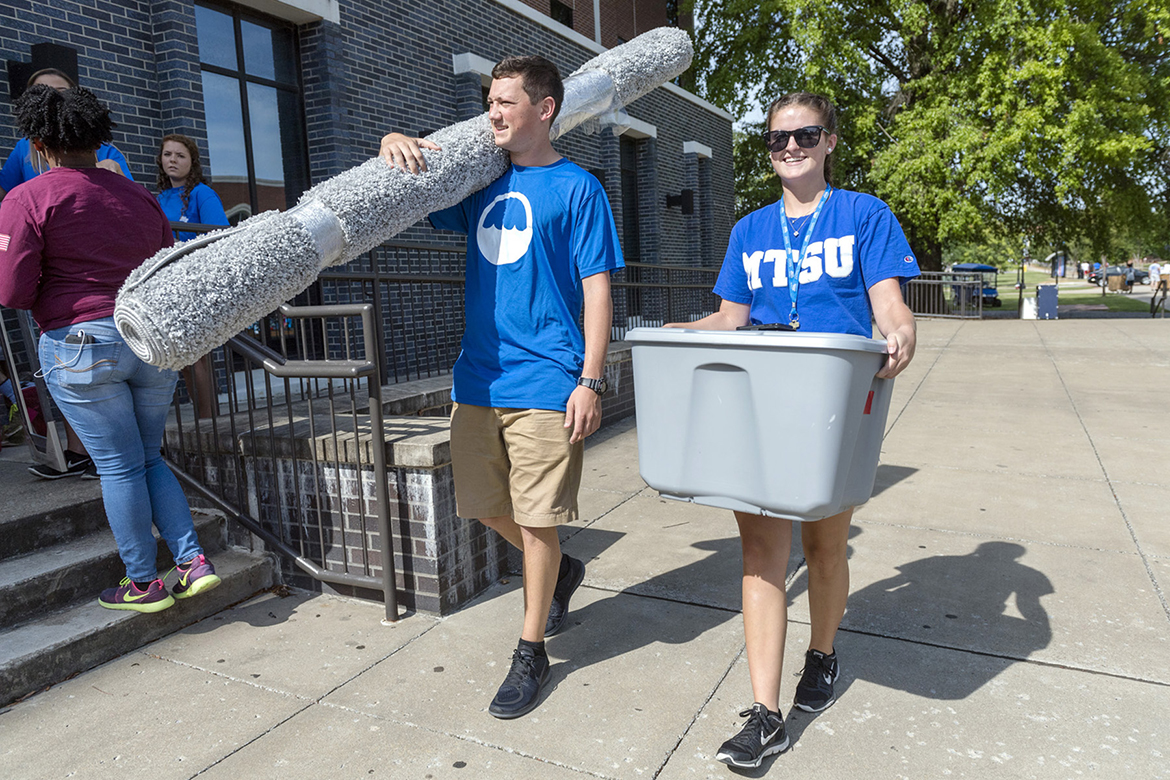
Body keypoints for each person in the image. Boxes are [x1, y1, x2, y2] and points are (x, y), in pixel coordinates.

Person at [665, 91, 919, 770]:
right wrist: (675, 333)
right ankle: (764, 714)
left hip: (831, 407)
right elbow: (730, 319)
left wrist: (900, 335)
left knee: (826, 546)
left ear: (830, 141)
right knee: (760, 552)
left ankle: (824, 655)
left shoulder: (865, 215)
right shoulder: (750, 229)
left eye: (804, 136)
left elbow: (889, 304)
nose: (790, 149)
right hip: (759, 406)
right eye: (777, 140)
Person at [380, 55, 623, 719]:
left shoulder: (578, 190)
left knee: (538, 520)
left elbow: (599, 289)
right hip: (478, 377)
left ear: (544, 109)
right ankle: (564, 574)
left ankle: (530, 647)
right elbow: (409, 194)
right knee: (486, 506)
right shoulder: (480, 181)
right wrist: (390, 147)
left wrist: (590, 379)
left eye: (506, 102)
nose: (493, 113)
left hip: (548, 376)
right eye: (490, 100)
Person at [0, 85, 221, 613]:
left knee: (119, 468)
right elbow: (168, 271)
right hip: (148, 340)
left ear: (38, 143)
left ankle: (142, 583)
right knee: (148, 457)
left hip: (80, 344)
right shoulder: (140, 196)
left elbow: (11, 291)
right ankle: (192, 563)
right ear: (99, 140)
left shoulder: (28, 198)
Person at [155, 134, 229, 418]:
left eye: (180, 155)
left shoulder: (202, 193)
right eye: (168, 154)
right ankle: (202, 421)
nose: (172, 160)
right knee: (182, 357)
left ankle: (209, 421)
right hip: (166, 283)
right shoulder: (160, 198)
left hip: (194, 282)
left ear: (192, 162)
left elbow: (219, 235)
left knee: (196, 355)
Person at [0, 68, 131, 201]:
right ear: (38, 144)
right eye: (41, 93)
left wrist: (115, 171)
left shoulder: (104, 149)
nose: (51, 100)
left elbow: (132, 197)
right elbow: (3, 192)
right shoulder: (24, 147)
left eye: (60, 91)